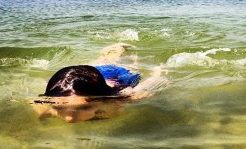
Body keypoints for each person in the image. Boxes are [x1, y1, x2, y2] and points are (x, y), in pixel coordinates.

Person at [33, 43, 169, 123]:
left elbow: (149, 87)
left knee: (123, 63)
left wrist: (158, 73)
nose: (69, 118)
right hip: (89, 74)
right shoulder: (48, 104)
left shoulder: (120, 99)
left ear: (100, 100)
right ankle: (111, 51)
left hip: (116, 75)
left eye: (83, 108)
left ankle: (121, 47)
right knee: (101, 61)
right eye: (60, 108)